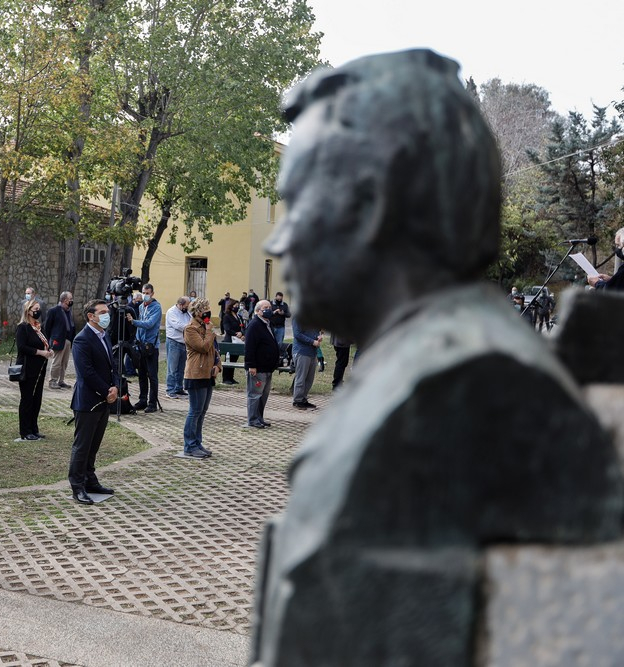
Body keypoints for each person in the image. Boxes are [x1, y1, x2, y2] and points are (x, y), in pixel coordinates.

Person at [253, 50, 624, 665]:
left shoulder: (468, 388)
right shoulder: (415, 364)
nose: (278, 240)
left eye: (297, 203)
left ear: (370, 208)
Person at [68, 299, 119, 504]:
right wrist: (106, 389)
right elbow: (86, 372)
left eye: (107, 311)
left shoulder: (104, 336)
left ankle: (90, 479)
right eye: (103, 312)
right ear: (91, 316)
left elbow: (112, 365)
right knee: (82, 446)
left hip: (105, 399)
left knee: (93, 445)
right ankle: (77, 486)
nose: (107, 315)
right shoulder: (82, 339)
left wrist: (115, 386)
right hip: (88, 401)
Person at [182, 299, 221, 458]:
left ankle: (197, 443)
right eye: (205, 309)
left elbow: (215, 350)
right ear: (197, 312)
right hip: (195, 374)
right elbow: (203, 347)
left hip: (207, 374)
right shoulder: (190, 329)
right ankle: (189, 445)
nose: (208, 312)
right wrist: (210, 331)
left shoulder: (206, 327)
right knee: (195, 411)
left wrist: (218, 366)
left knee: (202, 411)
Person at [15, 299, 54, 441]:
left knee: (37, 399)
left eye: (39, 308)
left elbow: (44, 344)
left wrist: (48, 351)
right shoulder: (23, 327)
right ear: (28, 311)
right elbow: (22, 347)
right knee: (27, 400)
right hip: (27, 368)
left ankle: (34, 429)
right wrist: (40, 352)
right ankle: (25, 431)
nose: (38, 311)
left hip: (40, 368)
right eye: (35, 309)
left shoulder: (39, 327)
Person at [243, 300, 279, 429]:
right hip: (257, 368)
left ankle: (259, 417)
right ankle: (252, 420)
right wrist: (251, 365)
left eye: (270, 307)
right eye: (265, 307)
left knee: (263, 395)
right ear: (258, 311)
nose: (268, 309)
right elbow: (250, 348)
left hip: (267, 367)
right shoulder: (254, 325)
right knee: (255, 394)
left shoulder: (268, 324)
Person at [127, 283, 162, 413]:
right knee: (141, 374)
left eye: (147, 293)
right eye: (143, 292)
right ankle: (142, 400)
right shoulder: (141, 306)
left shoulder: (156, 307)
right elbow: (140, 327)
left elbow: (149, 324)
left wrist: (134, 322)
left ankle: (152, 403)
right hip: (140, 345)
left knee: (152, 375)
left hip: (151, 346)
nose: (145, 295)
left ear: (152, 293)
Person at [44, 291, 76, 390]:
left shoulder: (69, 311)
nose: (71, 301)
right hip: (57, 340)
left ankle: (61, 381)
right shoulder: (53, 311)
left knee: (64, 363)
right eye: (70, 299)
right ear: (65, 300)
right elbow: (47, 327)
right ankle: (53, 380)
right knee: (57, 362)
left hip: (67, 340)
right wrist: (49, 341)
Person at [290, 316, 322, 409]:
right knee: (301, 377)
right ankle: (297, 400)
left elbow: (316, 331)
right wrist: (312, 341)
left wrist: (318, 337)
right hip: (302, 351)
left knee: (309, 378)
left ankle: (304, 398)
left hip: (312, 352)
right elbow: (297, 334)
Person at [164, 296, 191, 398]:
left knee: (181, 368)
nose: (187, 308)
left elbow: (192, 322)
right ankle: (170, 390)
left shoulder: (187, 313)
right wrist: (190, 327)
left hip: (184, 343)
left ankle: (179, 388)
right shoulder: (171, 312)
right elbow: (179, 326)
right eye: (186, 306)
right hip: (173, 342)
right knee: (172, 368)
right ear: (180, 304)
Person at [220, 300, 243, 385]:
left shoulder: (239, 316)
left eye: (238, 305)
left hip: (238, 340)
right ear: (231, 306)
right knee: (228, 359)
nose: (237, 307)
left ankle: (231, 377)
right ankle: (226, 378)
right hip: (230, 340)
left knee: (234, 359)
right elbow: (227, 328)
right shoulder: (227, 316)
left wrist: (242, 333)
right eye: (235, 305)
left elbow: (242, 327)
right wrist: (236, 333)